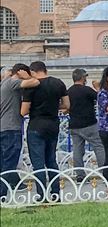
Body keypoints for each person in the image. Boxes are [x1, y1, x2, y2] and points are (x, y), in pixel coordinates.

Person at [20, 62, 69, 200]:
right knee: (51, 161)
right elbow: (67, 105)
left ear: (33, 72)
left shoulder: (31, 86)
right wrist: (53, 106)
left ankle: (41, 195)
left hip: (36, 125)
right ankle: (55, 193)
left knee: (38, 163)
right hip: (53, 125)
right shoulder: (58, 83)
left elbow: (24, 111)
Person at [1, 64, 39, 200]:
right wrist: (28, 76)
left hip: (4, 127)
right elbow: (35, 82)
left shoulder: (4, 83)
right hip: (11, 128)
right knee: (9, 163)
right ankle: (2, 194)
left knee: (3, 162)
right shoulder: (13, 82)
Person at [66, 68, 103, 174]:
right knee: (99, 146)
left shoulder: (69, 91)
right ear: (83, 78)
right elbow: (101, 99)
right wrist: (98, 88)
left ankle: (80, 174)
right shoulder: (87, 90)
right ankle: (104, 171)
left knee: (77, 150)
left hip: (74, 125)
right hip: (89, 124)